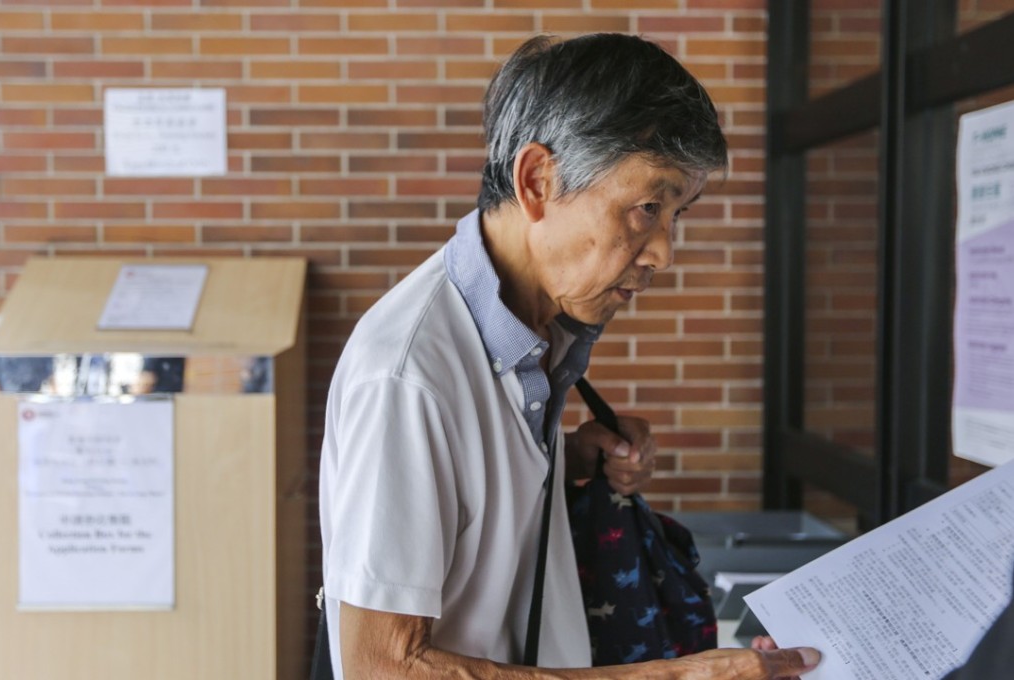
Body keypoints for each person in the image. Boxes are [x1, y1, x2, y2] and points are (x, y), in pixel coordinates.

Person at [319, 33, 821, 679]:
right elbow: (380, 669)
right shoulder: (408, 377)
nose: (664, 252)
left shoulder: (531, 330)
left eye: (679, 214)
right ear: (537, 181)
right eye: (648, 208)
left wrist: (574, 463)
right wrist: (684, 675)